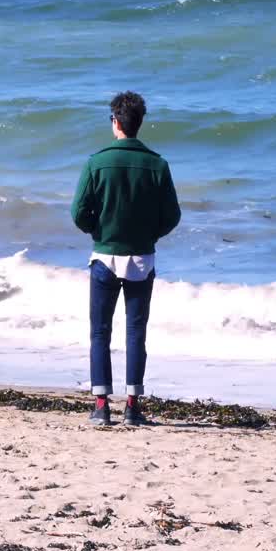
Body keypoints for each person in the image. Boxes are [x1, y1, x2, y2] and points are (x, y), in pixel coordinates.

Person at [70, 91, 180, 426]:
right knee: (135, 331)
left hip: (105, 256)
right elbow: (172, 216)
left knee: (100, 332)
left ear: (116, 122)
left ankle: (101, 406)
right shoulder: (157, 165)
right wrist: (150, 236)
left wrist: (98, 231)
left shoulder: (96, 162)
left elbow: (78, 213)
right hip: (142, 258)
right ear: (139, 123)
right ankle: (133, 407)